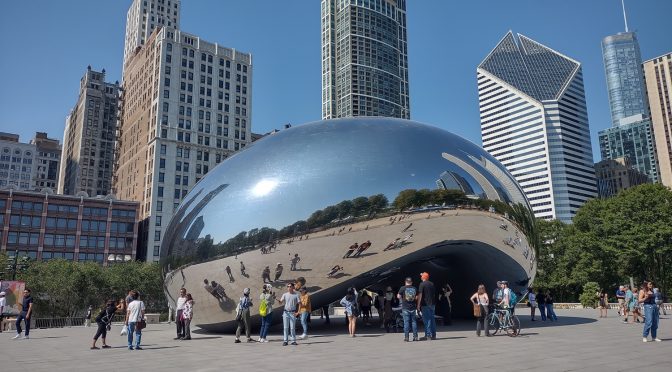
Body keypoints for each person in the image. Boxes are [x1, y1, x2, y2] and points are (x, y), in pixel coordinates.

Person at [397, 277, 418, 342]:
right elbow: (417, 297)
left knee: (406, 323)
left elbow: (398, 296)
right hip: (413, 307)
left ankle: (406, 337)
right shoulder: (414, 288)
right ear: (411, 282)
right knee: (414, 322)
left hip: (405, 308)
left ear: (405, 282)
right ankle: (415, 337)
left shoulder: (402, 288)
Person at [417, 272, 436, 340]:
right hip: (432, 304)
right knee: (432, 319)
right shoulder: (432, 284)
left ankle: (428, 335)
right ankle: (433, 335)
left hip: (425, 304)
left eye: (421, 276)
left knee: (427, 320)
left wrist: (418, 305)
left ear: (424, 277)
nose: (421, 277)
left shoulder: (422, 284)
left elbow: (420, 294)